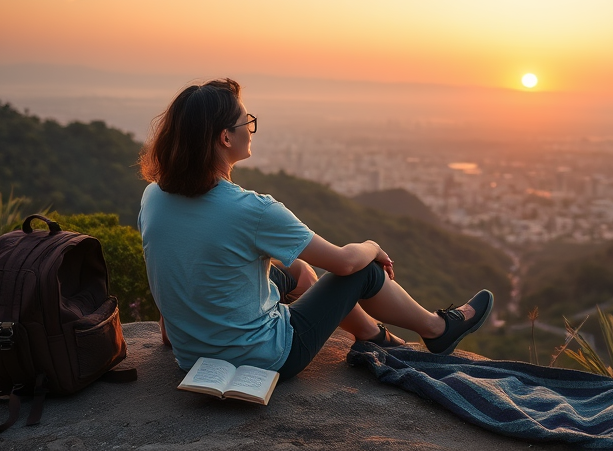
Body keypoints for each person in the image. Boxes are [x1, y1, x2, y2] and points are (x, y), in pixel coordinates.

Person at [137, 78, 493, 379]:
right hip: (268, 357)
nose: (250, 127)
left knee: (298, 271)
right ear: (225, 138)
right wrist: (371, 245)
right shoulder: (251, 210)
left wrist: (175, 326)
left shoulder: (153, 195)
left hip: (190, 355)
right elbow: (344, 264)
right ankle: (437, 330)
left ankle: (371, 333)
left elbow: (169, 261)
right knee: (364, 271)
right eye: (246, 121)